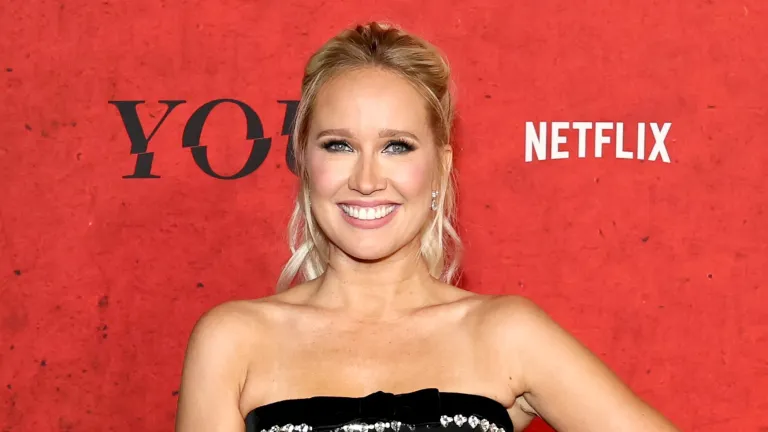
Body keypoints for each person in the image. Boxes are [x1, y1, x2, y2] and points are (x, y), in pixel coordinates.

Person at [175, 22, 680, 432]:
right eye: (339, 145)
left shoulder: (504, 334)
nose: (367, 180)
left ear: (441, 167)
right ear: (305, 163)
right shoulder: (234, 343)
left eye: (396, 146)